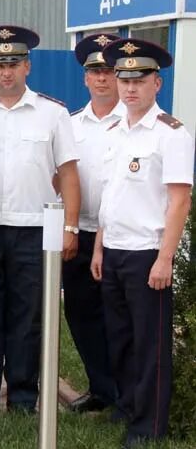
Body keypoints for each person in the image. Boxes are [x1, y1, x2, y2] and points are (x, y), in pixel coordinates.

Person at [0, 25, 80, 420]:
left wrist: (71, 227)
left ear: (27, 66)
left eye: (13, 64)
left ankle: (25, 402)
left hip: (35, 228)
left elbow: (69, 173)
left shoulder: (53, 113)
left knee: (28, 319)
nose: (5, 72)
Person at [92, 38, 193, 447]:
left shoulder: (171, 134)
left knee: (150, 343)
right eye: (124, 78)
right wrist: (99, 247)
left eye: (140, 79)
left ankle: (149, 426)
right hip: (114, 248)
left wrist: (165, 258)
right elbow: (110, 194)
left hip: (146, 254)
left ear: (157, 83)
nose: (130, 87)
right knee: (120, 337)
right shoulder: (116, 130)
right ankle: (129, 407)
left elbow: (180, 199)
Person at [63, 33, 123, 414]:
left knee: (118, 317)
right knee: (81, 314)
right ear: (85, 78)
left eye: (108, 70)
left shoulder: (134, 123)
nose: (101, 78)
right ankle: (101, 388)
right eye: (94, 71)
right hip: (79, 232)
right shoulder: (70, 125)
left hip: (119, 237)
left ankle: (125, 392)